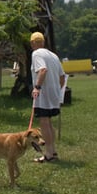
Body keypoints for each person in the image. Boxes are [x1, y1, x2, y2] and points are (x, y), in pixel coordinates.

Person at [29, 31, 66, 162]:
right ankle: (53, 151)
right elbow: (62, 77)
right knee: (48, 122)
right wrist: (57, 90)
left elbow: (43, 70)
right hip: (54, 94)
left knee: (44, 122)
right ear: (43, 42)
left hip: (43, 94)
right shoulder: (53, 55)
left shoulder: (36, 53)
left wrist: (37, 87)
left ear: (33, 43)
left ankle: (49, 154)